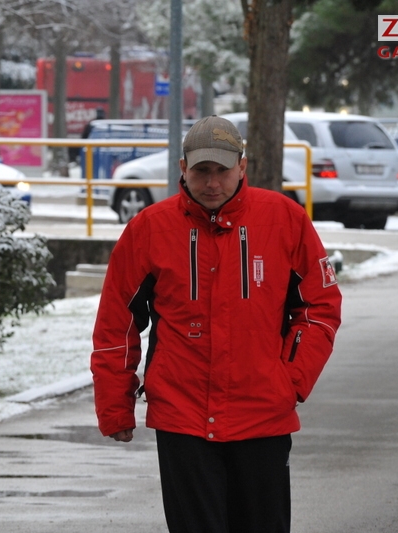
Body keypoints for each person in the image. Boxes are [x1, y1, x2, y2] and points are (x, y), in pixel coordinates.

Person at [90, 115, 342, 533]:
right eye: (201, 170)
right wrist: (115, 404)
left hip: (262, 414)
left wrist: (291, 380)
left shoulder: (284, 219)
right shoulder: (149, 229)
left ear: (242, 167)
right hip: (182, 418)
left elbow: (320, 307)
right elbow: (117, 321)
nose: (211, 183)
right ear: (182, 168)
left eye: (222, 170)